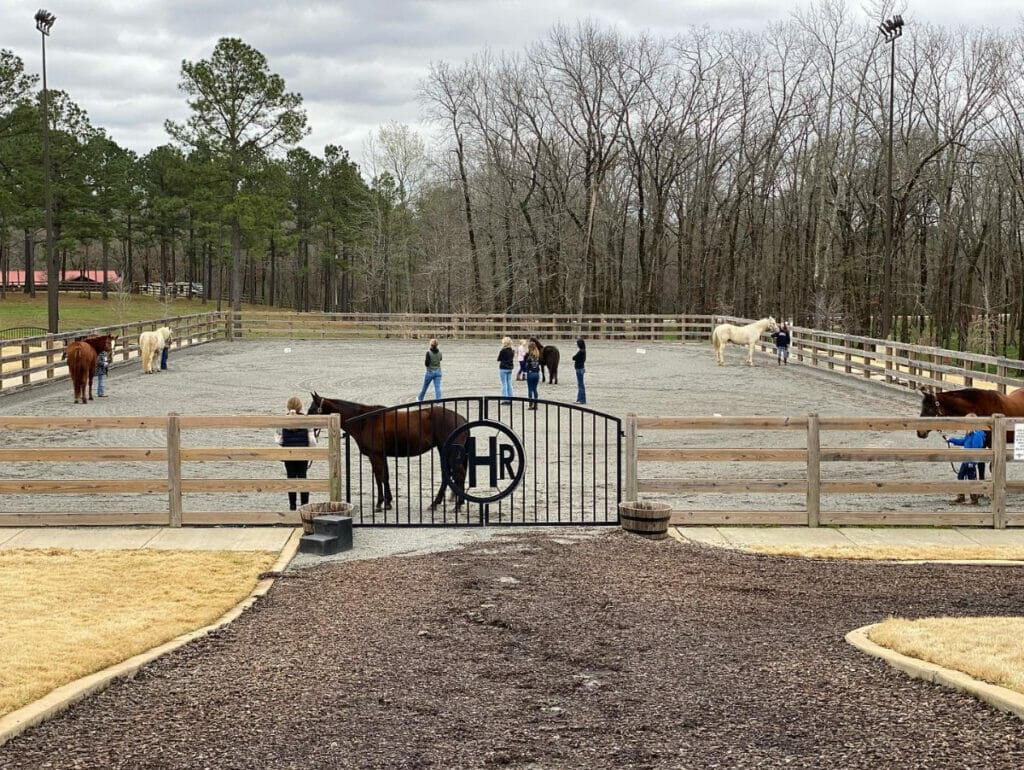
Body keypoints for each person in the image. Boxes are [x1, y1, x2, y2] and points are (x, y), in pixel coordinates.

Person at [275, 396, 318, 511]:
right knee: (303, 478)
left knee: (291, 480)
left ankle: (292, 507)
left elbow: (279, 440)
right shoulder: (306, 420)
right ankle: (305, 507)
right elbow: (312, 441)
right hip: (303, 454)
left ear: (288, 406)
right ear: (300, 406)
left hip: (288, 455)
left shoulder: (283, 420)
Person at [944, 414, 986, 505]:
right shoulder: (970, 434)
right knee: (960, 476)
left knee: (971, 478)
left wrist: (972, 462)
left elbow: (976, 449)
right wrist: (951, 439)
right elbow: (963, 441)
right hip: (966, 460)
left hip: (971, 461)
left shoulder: (977, 434)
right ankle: (961, 496)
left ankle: (974, 499)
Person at [497, 336, 515, 403]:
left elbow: (499, 359)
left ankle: (505, 398)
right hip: (510, 368)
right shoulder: (512, 350)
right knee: (509, 383)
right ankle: (510, 397)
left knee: (504, 384)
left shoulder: (503, 351)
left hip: (503, 368)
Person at [525, 342, 542, 409]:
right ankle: (536, 404)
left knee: (530, 389)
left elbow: (527, 366)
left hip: (530, 373)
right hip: (537, 374)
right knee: (535, 389)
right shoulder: (537, 356)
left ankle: (530, 404)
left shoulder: (529, 357)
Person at [572, 337, 587, 404]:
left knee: (580, 385)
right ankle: (579, 398)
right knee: (580, 384)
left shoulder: (580, 351)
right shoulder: (583, 351)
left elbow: (574, 358)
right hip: (581, 368)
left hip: (579, 369)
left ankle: (582, 400)